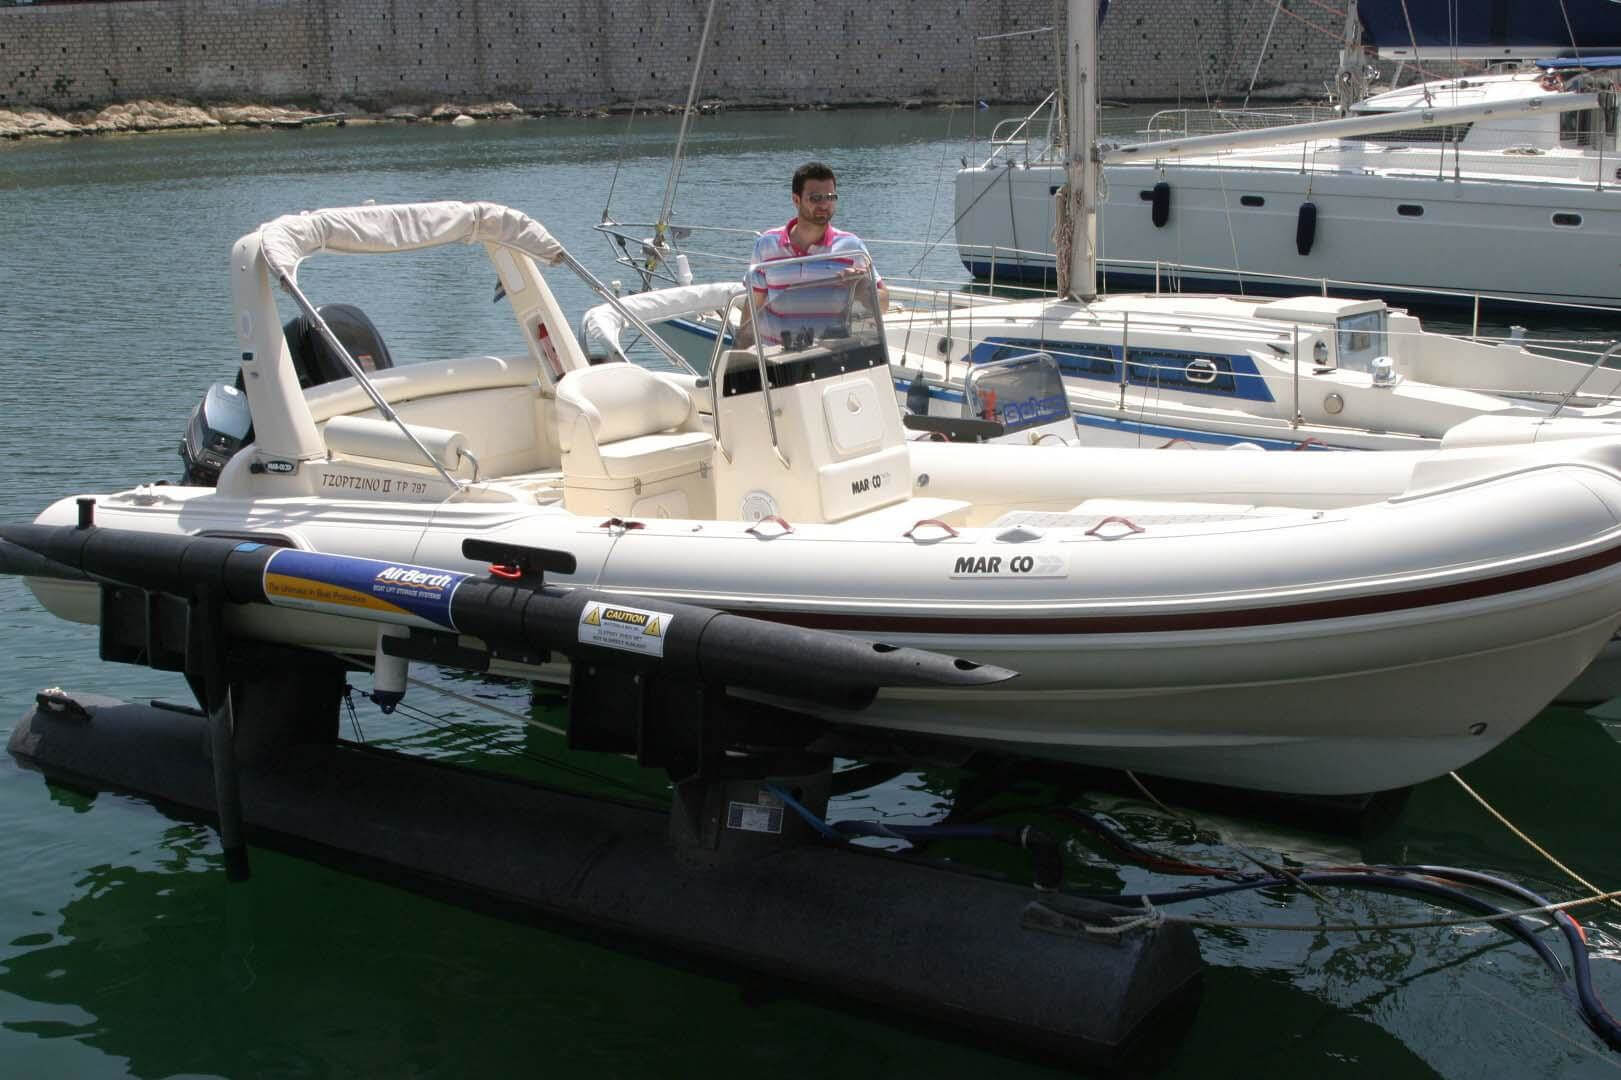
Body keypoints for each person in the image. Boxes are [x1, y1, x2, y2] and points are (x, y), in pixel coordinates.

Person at [736, 161, 889, 348]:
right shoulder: (767, 245)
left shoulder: (852, 247)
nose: (824, 204)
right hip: (775, 359)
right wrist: (740, 354)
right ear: (796, 200)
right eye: (816, 198)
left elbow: (884, 304)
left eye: (830, 197)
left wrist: (862, 287)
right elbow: (752, 307)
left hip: (829, 357)